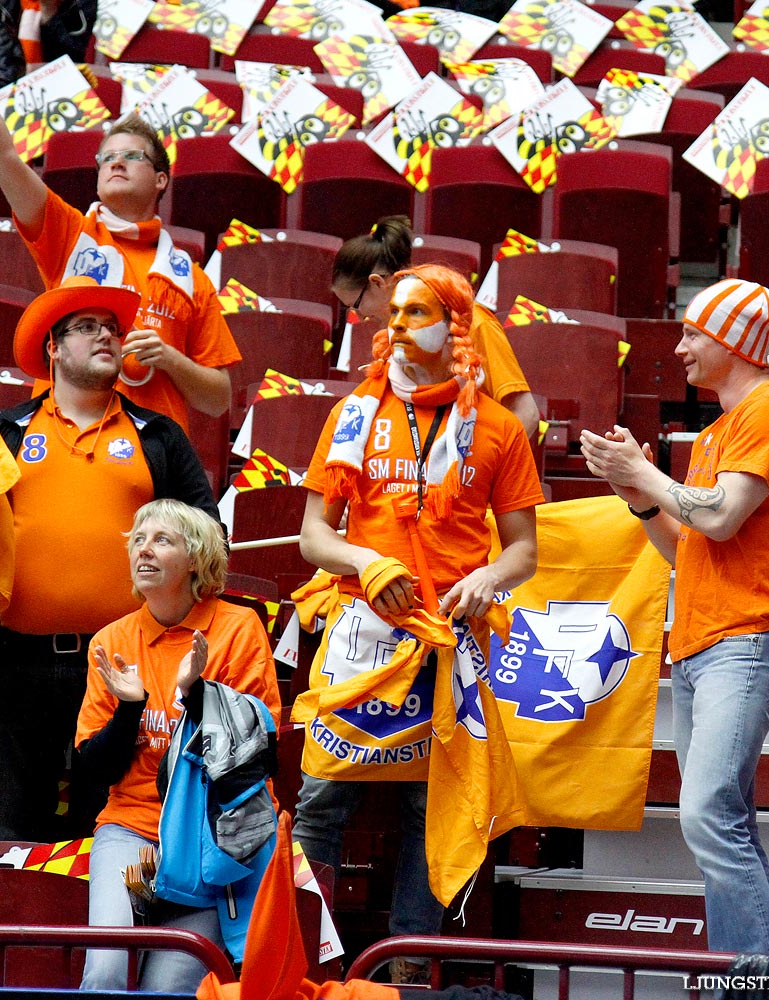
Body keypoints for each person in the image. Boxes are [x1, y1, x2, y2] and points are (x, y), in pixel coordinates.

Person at [292, 264, 542, 981]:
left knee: (428, 813)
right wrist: (366, 563)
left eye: (417, 311)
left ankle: (406, 974)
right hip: (364, 634)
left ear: (456, 325)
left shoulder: (496, 428)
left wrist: (488, 578)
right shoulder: (354, 414)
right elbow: (314, 536)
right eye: (392, 312)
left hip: (449, 642)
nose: (397, 325)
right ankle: (307, 958)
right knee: (320, 803)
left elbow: (524, 548)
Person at [0, 276, 220, 843]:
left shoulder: (160, 435)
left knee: (116, 834)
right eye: (86, 329)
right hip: (11, 668)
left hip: (125, 671)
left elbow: (210, 537)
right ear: (52, 348)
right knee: (9, 839)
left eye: (111, 328)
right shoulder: (1, 432)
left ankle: (105, 937)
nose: (106, 337)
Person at [579, 278, 769, 957]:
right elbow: (686, 545)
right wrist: (636, 492)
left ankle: (753, 983)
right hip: (706, 641)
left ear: (732, 342)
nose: (681, 346)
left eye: (693, 333)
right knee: (724, 821)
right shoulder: (721, 429)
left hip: (745, 639)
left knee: (709, 815)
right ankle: (742, 976)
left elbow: (717, 515)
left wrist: (647, 471)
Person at [0, 24, 238, 433]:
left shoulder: (191, 279)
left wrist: (169, 358)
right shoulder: (71, 234)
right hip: (62, 440)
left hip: (154, 460)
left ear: (161, 179)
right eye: (105, 158)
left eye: (131, 156)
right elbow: (2, 156)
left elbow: (218, 399)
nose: (116, 163)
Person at [75, 498, 281, 993]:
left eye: (162, 540)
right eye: (138, 541)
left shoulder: (238, 628)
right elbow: (92, 770)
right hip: (132, 828)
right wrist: (129, 709)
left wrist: (196, 695)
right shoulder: (112, 639)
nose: (144, 551)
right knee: (104, 971)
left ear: (198, 560)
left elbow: (250, 761)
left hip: (210, 837)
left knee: (166, 989)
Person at [331, 215, 540, 438]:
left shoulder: (472, 321)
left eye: (356, 305)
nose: (360, 316)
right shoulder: (394, 336)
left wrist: (486, 466)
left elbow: (526, 413)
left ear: (377, 283)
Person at [0, 0, 96, 65]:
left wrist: (50, 16)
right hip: (9, 84)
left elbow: (78, 60)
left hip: (62, 83)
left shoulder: (82, 4)